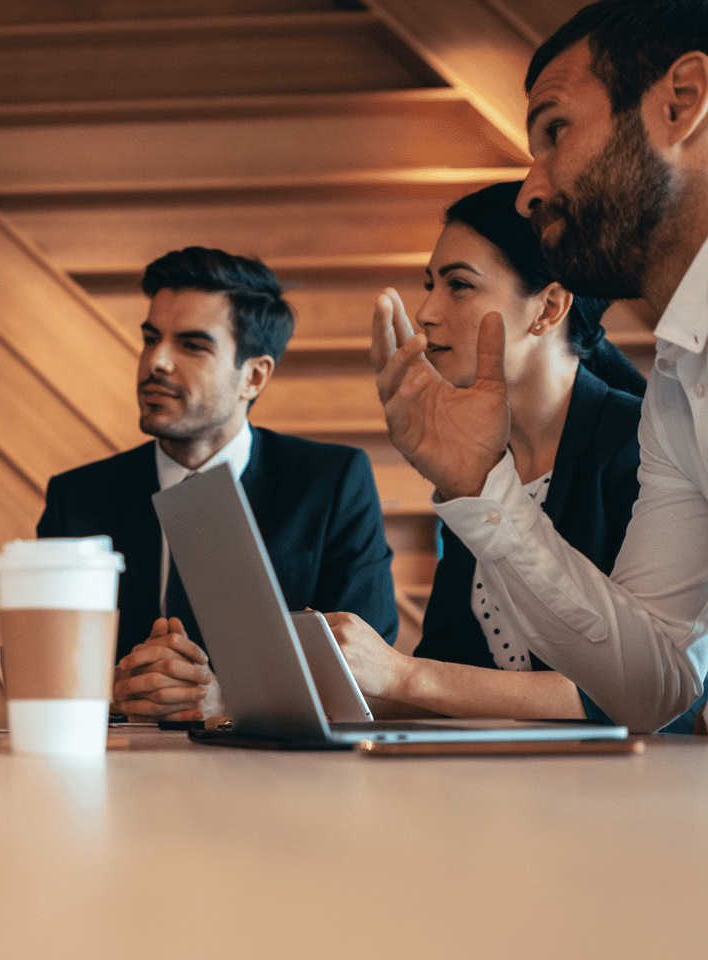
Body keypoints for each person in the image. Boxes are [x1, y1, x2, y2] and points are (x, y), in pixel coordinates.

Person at [371, 0, 708, 733]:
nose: (531, 189)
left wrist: (405, 676)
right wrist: (481, 490)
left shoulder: (637, 414)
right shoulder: (678, 392)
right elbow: (659, 687)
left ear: (680, 103)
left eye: (555, 130)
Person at [326, 182, 702, 729]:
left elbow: (643, 693)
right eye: (429, 285)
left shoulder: (642, 442)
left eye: (459, 285)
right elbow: (454, 667)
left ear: (549, 307)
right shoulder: (476, 457)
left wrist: (404, 676)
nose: (426, 312)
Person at [36, 247, 398, 722]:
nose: (156, 362)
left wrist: (227, 699)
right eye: (151, 338)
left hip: (284, 780)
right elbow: (41, 666)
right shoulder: (77, 498)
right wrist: (114, 691)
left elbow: (369, 674)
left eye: (191, 345)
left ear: (253, 376)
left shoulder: (331, 483)